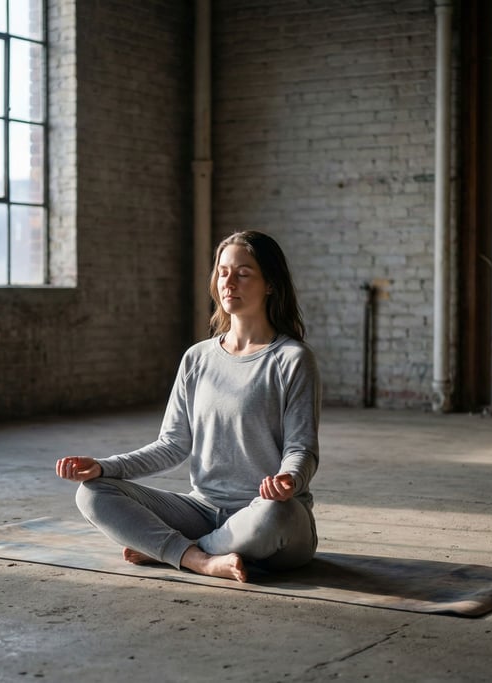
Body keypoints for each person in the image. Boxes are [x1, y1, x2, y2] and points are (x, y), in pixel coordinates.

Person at [56, 231, 321, 583]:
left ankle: (177, 551)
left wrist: (289, 479)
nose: (229, 282)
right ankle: (202, 559)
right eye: (222, 272)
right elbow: (171, 445)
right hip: (203, 509)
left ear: (270, 284)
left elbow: (301, 448)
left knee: (277, 517)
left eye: (243, 273)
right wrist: (104, 467)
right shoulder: (197, 358)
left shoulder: (292, 359)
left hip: (266, 515)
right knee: (92, 494)